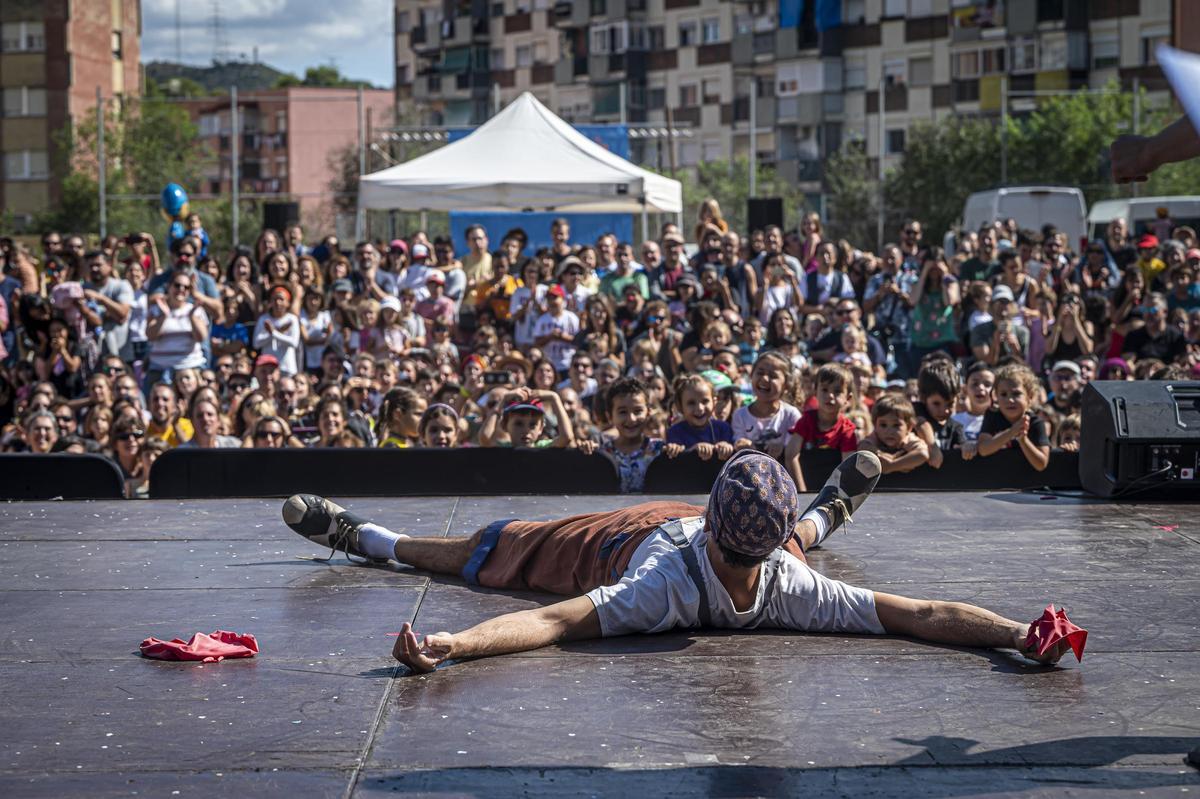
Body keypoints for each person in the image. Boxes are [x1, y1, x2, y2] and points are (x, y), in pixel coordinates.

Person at [280, 450, 1077, 672]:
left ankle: (827, 507)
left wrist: (455, 646)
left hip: (693, 536)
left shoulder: (767, 572)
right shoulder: (668, 585)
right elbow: (917, 612)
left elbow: (552, 623)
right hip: (628, 538)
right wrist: (1017, 631)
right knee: (497, 548)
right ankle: (369, 537)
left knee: (499, 548)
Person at [783, 363, 858, 491]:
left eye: (837, 391)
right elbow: (791, 456)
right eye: (824, 390)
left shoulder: (847, 430)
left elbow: (847, 469)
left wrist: (832, 495)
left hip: (832, 493)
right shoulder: (806, 421)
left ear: (848, 398)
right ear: (815, 391)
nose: (830, 396)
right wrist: (802, 491)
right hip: (804, 488)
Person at [977, 363, 1051, 472]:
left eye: (1016, 394)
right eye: (1003, 394)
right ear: (996, 396)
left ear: (1029, 396)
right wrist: (1012, 432)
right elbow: (983, 449)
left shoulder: (1036, 422)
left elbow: (1041, 464)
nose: (1010, 400)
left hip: (1026, 485)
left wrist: (1023, 440)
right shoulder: (992, 415)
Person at [665, 373, 734, 461]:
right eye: (691, 403)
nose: (699, 408)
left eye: (705, 401)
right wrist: (691, 451)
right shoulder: (675, 432)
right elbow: (674, 462)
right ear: (680, 407)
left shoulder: (723, 428)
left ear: (714, 402)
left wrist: (727, 447)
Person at [858, 394, 931, 474]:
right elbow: (863, 447)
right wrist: (879, 454)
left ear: (909, 427)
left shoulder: (909, 438)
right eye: (883, 425)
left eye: (896, 425)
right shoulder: (875, 435)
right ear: (875, 425)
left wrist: (892, 465)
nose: (889, 431)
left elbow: (923, 454)